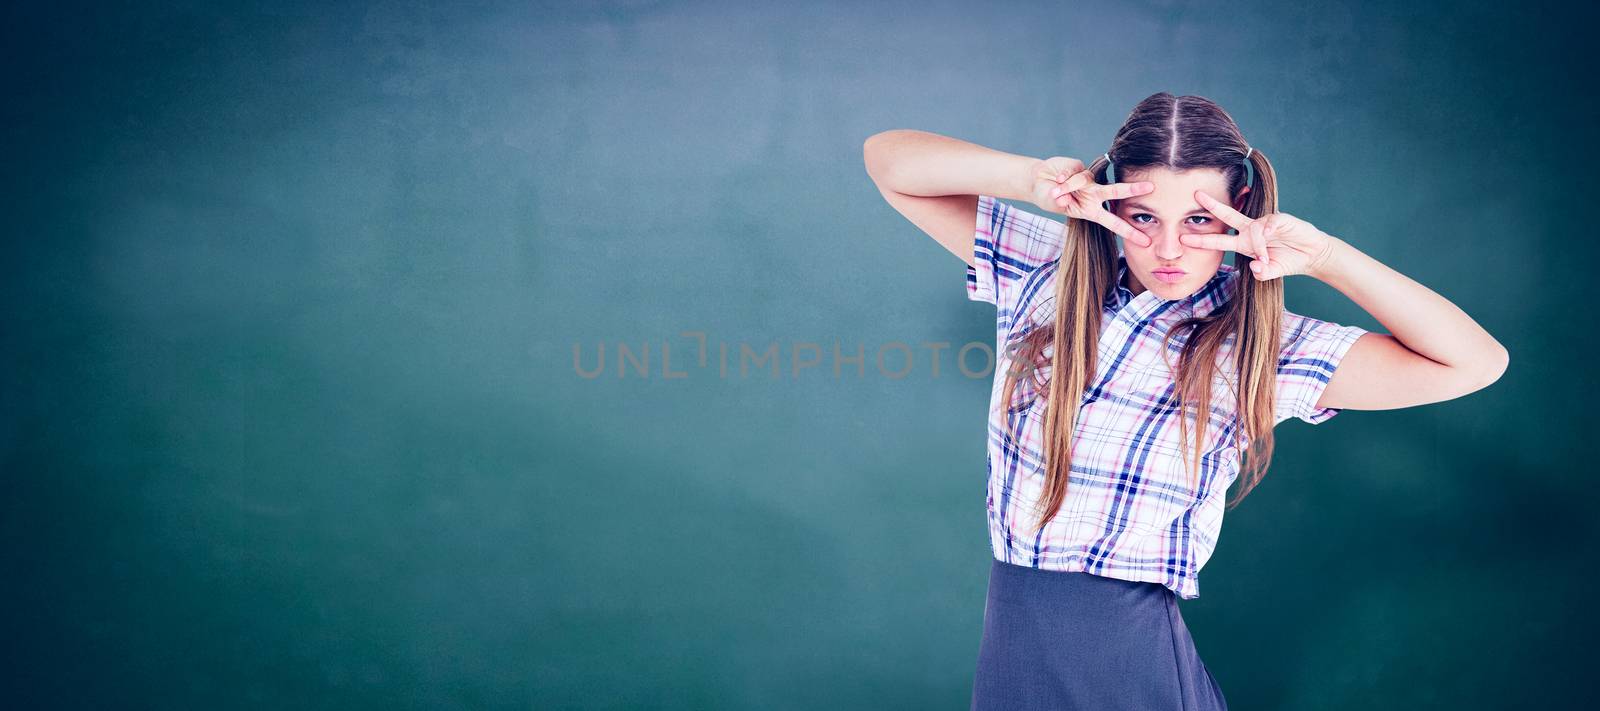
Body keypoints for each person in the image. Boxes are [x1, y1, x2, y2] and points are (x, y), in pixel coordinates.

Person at [861, 93, 1509, 710]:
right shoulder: (1047, 270)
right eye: (1144, 217)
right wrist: (1033, 180)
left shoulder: (1258, 344)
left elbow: (1476, 362)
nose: (1168, 249)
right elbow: (888, 162)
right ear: (1111, 202)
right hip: (1014, 644)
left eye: (1198, 219)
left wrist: (1326, 257)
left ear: (1242, 207)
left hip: (1134, 665)